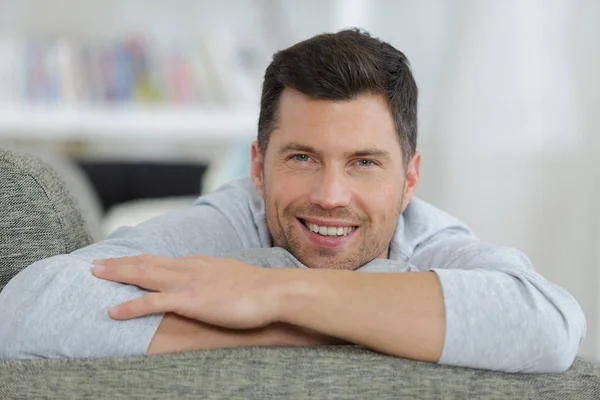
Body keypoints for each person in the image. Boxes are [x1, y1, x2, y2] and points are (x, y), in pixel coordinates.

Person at [0, 29, 586, 373]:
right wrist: (310, 326)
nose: (331, 196)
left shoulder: (430, 240)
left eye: (364, 162)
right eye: (302, 157)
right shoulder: (229, 221)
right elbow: (24, 308)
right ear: (258, 166)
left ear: (410, 180)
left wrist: (269, 292)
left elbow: (551, 325)